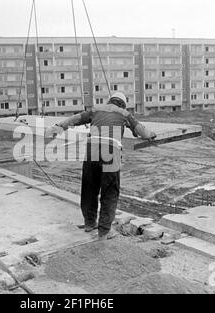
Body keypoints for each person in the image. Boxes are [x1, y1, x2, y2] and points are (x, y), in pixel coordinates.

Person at [46, 92, 156, 241]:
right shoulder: (124, 113)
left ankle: (90, 223)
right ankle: (104, 232)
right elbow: (142, 131)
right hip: (110, 153)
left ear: (110, 100)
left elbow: (75, 119)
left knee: (89, 188)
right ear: (123, 104)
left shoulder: (96, 109)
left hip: (92, 152)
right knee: (109, 192)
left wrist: (57, 128)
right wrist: (151, 134)